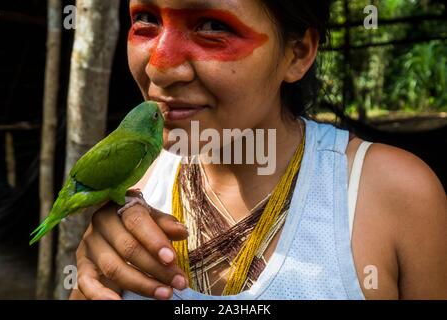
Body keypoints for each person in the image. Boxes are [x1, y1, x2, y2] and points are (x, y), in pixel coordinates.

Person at [70, 0, 447, 300]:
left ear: (297, 53)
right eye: (147, 19)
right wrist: (91, 285)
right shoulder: (134, 185)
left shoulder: (395, 197)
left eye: (213, 26)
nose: (160, 69)